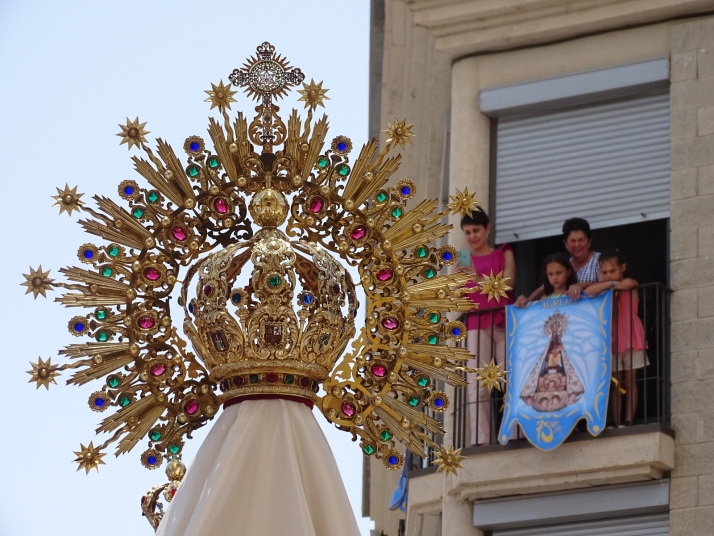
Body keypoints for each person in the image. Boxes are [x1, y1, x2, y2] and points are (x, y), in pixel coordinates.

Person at [454, 207, 515, 445]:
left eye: (476, 230)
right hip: (476, 324)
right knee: (477, 385)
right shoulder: (462, 259)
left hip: (503, 322)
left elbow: (507, 285)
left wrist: (476, 279)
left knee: (511, 378)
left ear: (487, 229)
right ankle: (482, 440)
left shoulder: (504, 253)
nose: (472, 236)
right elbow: (459, 296)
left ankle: (516, 433)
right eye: (467, 232)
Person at [586, 250, 648, 427]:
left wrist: (608, 285)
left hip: (630, 337)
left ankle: (628, 418)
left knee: (630, 380)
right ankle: (616, 419)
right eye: (604, 272)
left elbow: (628, 284)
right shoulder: (608, 289)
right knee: (615, 381)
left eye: (612, 271)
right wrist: (609, 284)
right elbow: (590, 291)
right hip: (612, 338)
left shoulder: (630, 283)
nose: (608, 275)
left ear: (623, 268)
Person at [518, 257, 584, 412]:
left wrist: (581, 286)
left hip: (566, 347)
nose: (555, 277)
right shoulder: (543, 300)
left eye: (559, 273)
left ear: (568, 272)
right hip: (548, 350)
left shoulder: (575, 295)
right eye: (551, 274)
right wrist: (525, 300)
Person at [515, 218, 600, 306]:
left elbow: (611, 285)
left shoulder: (600, 260)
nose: (577, 245)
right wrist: (526, 301)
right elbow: (543, 288)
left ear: (589, 241)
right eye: (573, 241)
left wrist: (583, 285)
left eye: (581, 240)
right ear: (566, 244)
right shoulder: (564, 263)